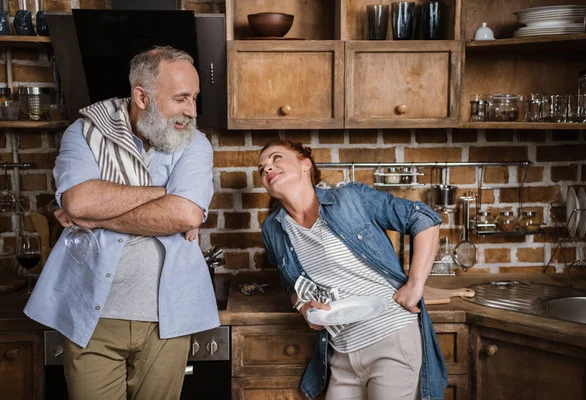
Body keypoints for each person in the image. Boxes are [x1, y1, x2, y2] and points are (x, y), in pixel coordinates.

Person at [24, 46, 219, 400]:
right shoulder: (84, 132)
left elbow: (185, 213)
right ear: (142, 97)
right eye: (181, 98)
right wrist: (165, 192)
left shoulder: (195, 144)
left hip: (168, 318)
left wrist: (96, 214)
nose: (192, 111)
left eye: (195, 98)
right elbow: (79, 201)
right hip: (91, 316)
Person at [258, 139, 448, 400]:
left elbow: (423, 218)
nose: (267, 167)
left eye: (276, 158)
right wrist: (303, 307)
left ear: (305, 165)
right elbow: (290, 282)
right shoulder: (273, 228)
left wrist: (415, 285)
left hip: (390, 336)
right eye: (261, 168)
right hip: (341, 350)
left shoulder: (350, 198)